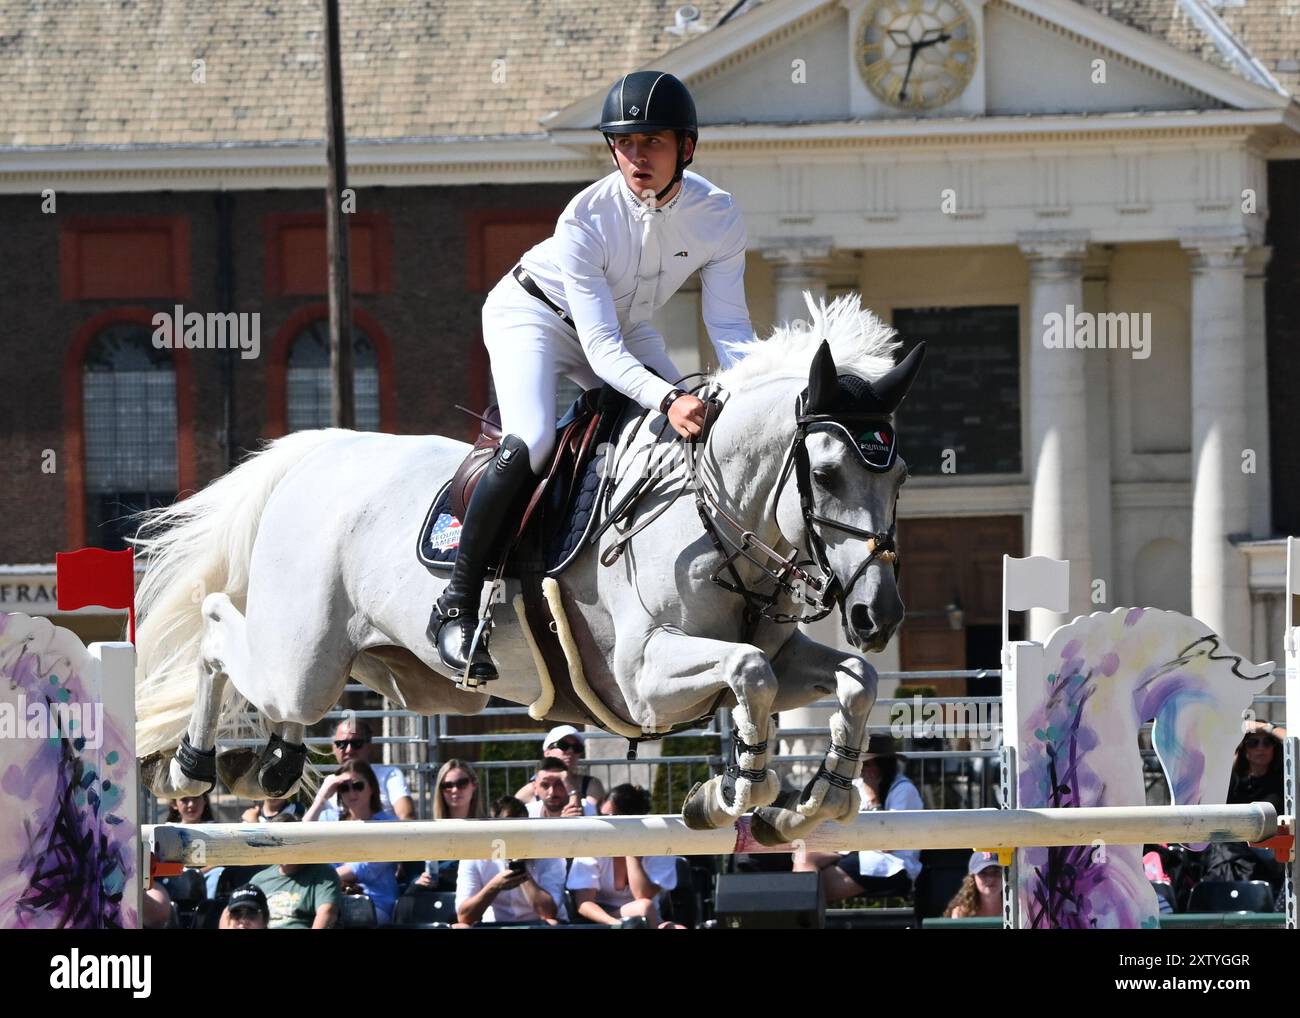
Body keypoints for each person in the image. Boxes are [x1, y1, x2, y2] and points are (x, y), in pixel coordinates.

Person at [428, 69, 757, 682]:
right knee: (533, 438)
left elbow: (732, 329)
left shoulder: (718, 215)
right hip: (534, 315)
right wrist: (666, 399)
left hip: (622, 327)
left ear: (686, 147)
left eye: (653, 142)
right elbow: (600, 351)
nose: (637, 156)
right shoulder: (585, 217)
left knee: (697, 420)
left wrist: (757, 389)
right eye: (625, 143)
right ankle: (457, 603)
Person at [793, 735, 924, 903]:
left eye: (867, 764)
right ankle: (801, 911)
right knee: (805, 857)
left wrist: (874, 796)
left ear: (883, 766)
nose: (861, 770)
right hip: (855, 852)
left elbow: (889, 843)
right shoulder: (859, 786)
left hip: (891, 864)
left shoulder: (904, 790)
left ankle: (803, 910)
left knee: (816, 888)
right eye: (859, 764)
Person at [566, 784, 681, 927]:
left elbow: (642, 894)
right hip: (602, 920)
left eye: (613, 818)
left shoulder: (660, 844)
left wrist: (630, 850)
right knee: (644, 907)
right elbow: (584, 903)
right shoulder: (591, 844)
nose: (605, 823)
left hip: (648, 918)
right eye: (602, 816)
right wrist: (617, 924)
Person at [303, 759, 401, 924]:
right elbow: (301, 839)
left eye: (357, 786)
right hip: (328, 899)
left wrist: (319, 879)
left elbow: (362, 868)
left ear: (371, 787)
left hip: (374, 902)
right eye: (344, 788)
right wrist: (322, 797)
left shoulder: (389, 824)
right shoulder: (329, 818)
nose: (351, 793)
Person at [1196, 722, 1286, 892]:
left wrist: (1269, 728)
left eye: (1267, 742)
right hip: (1234, 846)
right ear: (1244, 750)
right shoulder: (1232, 779)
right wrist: (1235, 735)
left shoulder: (1281, 779)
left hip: (1270, 845)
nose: (1261, 748)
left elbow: (1293, 741)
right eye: (1253, 743)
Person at [454, 797, 568, 926]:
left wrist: (521, 871)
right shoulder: (475, 855)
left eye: (521, 831)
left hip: (540, 923)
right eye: (507, 832)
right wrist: (494, 886)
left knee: (552, 923)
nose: (515, 839)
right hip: (496, 924)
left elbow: (548, 912)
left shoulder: (549, 853)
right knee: (460, 927)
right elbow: (464, 917)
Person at [249, 814, 342, 929]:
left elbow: (327, 913)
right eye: (278, 842)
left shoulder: (323, 875)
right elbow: (231, 913)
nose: (285, 848)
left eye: (290, 841)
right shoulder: (259, 880)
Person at [413, 759, 484, 891]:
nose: (455, 790)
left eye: (462, 783)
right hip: (440, 897)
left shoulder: (489, 828)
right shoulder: (430, 831)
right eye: (447, 785)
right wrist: (419, 879)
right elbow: (414, 874)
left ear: (474, 785)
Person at [327, 718, 415, 820]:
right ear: (334, 748)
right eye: (341, 744)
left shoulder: (390, 775)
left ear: (369, 746)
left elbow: (407, 818)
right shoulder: (329, 782)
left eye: (357, 743)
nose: (349, 750)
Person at [514, 725, 605, 807]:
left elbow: (595, 817)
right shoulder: (530, 791)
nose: (570, 751)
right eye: (563, 745)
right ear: (547, 752)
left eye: (577, 748)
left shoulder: (590, 785)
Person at [526, 758, 597, 818]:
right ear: (535, 788)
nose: (552, 792)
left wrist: (573, 792)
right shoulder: (528, 814)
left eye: (559, 784)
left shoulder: (588, 808)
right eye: (545, 785)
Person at [943, 853, 1004, 919]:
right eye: (983, 873)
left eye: (996, 872)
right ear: (973, 878)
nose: (990, 879)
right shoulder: (961, 914)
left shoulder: (1015, 908)